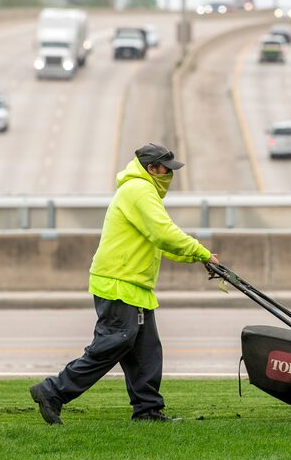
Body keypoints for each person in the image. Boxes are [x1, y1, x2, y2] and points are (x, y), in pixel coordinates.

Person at [29, 143, 218, 424]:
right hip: (118, 282)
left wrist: (198, 259)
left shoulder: (143, 191)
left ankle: (147, 411)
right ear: (151, 168)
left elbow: (158, 242)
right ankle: (53, 391)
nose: (170, 175)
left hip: (133, 285)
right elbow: (164, 233)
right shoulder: (139, 190)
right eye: (166, 169)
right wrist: (200, 251)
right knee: (113, 343)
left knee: (146, 351)